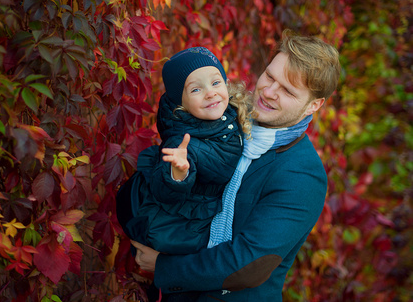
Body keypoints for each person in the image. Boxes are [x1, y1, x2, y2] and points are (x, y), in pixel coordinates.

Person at [130, 30, 341, 301]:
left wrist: (162, 266)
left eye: (287, 90)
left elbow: (248, 264)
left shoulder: (302, 175)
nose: (269, 92)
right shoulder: (225, 121)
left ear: (314, 105)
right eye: (270, 76)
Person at [117, 47, 254, 259]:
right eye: (195, 90)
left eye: (216, 82)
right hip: (187, 221)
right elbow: (165, 191)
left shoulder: (229, 112)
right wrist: (178, 173)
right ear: (181, 102)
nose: (210, 92)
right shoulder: (181, 142)